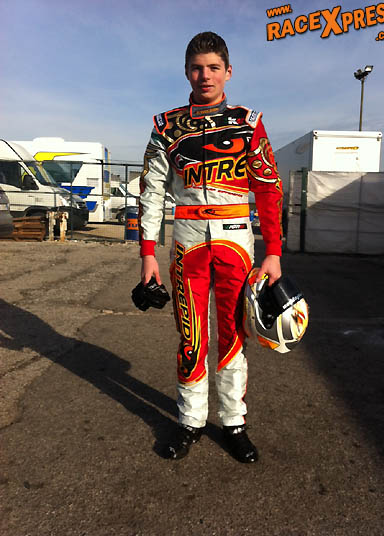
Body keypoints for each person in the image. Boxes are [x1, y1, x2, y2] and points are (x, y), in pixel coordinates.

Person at [139, 31, 283, 463]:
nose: (205, 76)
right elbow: (151, 190)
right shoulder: (165, 126)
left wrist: (274, 251)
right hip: (187, 243)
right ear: (186, 72)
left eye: (214, 67)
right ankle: (190, 420)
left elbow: (268, 188)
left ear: (228, 71)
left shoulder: (248, 122)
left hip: (236, 240)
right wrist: (147, 252)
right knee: (191, 335)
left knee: (235, 333)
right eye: (197, 68)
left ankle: (234, 422)